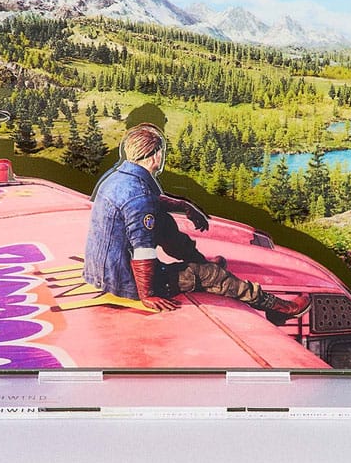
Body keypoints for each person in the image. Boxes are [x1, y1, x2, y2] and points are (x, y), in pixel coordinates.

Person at [84, 123, 310, 322]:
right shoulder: (138, 196)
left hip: (104, 272)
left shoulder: (120, 178)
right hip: (127, 282)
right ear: (155, 156)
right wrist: (147, 294)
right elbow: (143, 250)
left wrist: (183, 205)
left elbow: (149, 203)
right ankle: (279, 308)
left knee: (163, 221)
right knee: (214, 277)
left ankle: (198, 263)